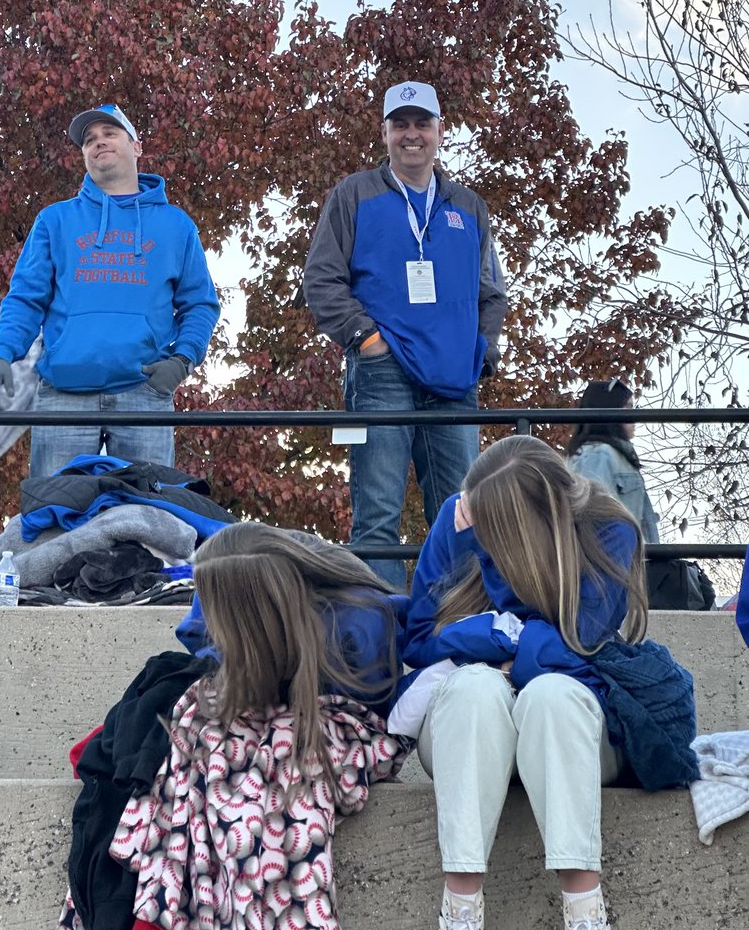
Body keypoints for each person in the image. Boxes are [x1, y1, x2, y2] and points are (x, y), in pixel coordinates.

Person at [402, 435, 696, 930]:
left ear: (518, 527)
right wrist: (500, 630)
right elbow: (418, 641)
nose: (467, 519)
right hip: (469, 733)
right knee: (476, 688)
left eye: (489, 529)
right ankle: (459, 911)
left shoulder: (607, 530)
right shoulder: (462, 516)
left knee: (551, 693)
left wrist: (491, 638)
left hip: (569, 734)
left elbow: (579, 642)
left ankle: (584, 912)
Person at [61, 521, 409, 930]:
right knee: (199, 731)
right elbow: (202, 642)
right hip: (268, 688)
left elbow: (368, 709)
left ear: (253, 610)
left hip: (342, 713)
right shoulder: (229, 572)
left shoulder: (359, 624)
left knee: (280, 755)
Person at [303, 80, 507, 589]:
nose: (411, 135)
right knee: (376, 516)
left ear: (441, 131)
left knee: (463, 513)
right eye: (400, 124)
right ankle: (380, 636)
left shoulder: (470, 206)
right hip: (382, 374)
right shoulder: (354, 193)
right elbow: (321, 279)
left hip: (455, 381)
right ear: (385, 132)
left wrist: (482, 351)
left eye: (422, 123)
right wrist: (367, 341)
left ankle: (456, 632)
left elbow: (492, 291)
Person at [0, 103, 220, 477]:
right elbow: (26, 298)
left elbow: (201, 305)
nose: (99, 143)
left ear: (136, 146)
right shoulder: (54, 220)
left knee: (149, 520)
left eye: (110, 134)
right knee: (56, 520)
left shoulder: (176, 225)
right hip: (64, 394)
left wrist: (182, 361)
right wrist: (1, 353)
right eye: (89, 140)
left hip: (144, 392)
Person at [565, 378, 660, 544]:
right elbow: (594, 521)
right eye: (628, 407)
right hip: (617, 562)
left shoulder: (611, 454)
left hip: (628, 559)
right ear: (610, 409)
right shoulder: (598, 455)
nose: (634, 416)